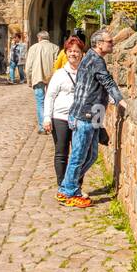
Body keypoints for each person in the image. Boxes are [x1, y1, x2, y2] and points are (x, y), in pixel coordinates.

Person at [59, 29, 124, 209]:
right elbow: (107, 82)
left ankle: (69, 186)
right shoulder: (95, 60)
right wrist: (121, 100)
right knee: (78, 156)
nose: (112, 44)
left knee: (92, 155)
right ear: (99, 44)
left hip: (95, 113)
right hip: (85, 114)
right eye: (109, 41)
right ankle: (67, 191)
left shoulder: (91, 58)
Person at [43, 36, 84, 193]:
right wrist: (47, 118)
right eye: (70, 51)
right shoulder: (59, 74)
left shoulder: (85, 73)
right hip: (60, 118)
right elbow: (50, 96)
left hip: (79, 118)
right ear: (66, 53)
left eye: (77, 51)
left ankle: (75, 185)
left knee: (79, 154)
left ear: (82, 53)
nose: (73, 54)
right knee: (61, 153)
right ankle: (62, 185)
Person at [23, 29, 59, 134]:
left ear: (39, 38)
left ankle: (43, 127)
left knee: (40, 102)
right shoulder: (55, 47)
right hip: (52, 78)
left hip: (37, 77)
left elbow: (28, 66)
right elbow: (56, 65)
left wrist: (29, 80)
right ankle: (52, 124)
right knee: (51, 100)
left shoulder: (33, 48)